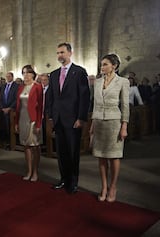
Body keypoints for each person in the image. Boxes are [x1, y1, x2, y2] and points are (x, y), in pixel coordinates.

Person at [45, 42, 90, 194]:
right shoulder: (54, 74)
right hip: (58, 119)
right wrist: (51, 115)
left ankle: (73, 182)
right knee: (61, 152)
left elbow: (84, 97)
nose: (60, 55)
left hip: (73, 119)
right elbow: (50, 96)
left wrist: (81, 118)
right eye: (58, 53)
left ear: (70, 53)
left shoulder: (79, 72)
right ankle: (63, 179)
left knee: (72, 152)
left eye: (62, 52)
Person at [90, 54, 129, 202]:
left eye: (105, 64)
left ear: (114, 66)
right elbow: (94, 104)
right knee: (101, 157)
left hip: (114, 122)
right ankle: (104, 186)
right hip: (99, 122)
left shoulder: (123, 82)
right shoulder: (98, 82)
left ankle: (113, 187)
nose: (102, 67)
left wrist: (124, 125)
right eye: (102, 64)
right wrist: (92, 125)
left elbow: (125, 105)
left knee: (114, 157)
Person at [15, 65, 43, 182]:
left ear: (32, 74)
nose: (25, 75)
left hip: (33, 119)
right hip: (22, 119)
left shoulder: (37, 87)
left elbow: (41, 107)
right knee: (26, 146)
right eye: (23, 73)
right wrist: (16, 122)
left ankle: (36, 171)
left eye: (27, 73)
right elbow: (18, 106)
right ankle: (29, 171)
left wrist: (38, 124)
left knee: (35, 146)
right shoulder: (21, 88)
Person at [0, 72, 19, 150]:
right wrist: (2, 108)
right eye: (6, 76)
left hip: (12, 110)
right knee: (3, 126)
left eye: (9, 76)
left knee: (10, 127)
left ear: (12, 77)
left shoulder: (16, 86)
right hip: (3, 110)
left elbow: (16, 99)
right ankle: (4, 142)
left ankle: (11, 143)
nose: (7, 78)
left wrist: (10, 108)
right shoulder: (3, 86)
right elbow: (1, 98)